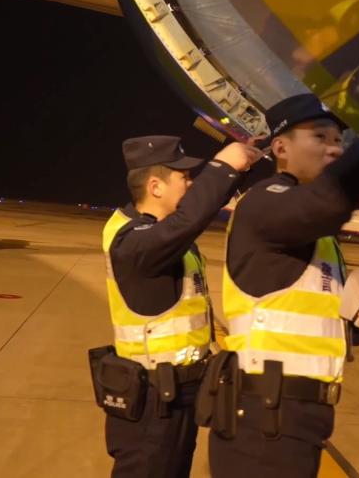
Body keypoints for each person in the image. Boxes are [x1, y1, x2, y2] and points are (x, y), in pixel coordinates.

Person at [206, 93, 359, 477]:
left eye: (339, 140)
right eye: (320, 137)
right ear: (280, 148)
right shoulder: (264, 203)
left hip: (296, 417)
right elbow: (327, 205)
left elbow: (301, 321)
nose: (335, 148)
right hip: (264, 418)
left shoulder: (318, 237)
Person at [97, 134, 262, 478]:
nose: (191, 183)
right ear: (155, 187)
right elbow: (190, 219)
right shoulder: (134, 241)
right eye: (184, 177)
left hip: (177, 396)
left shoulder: (158, 234)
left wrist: (240, 168)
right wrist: (222, 167)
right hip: (152, 403)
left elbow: (198, 211)